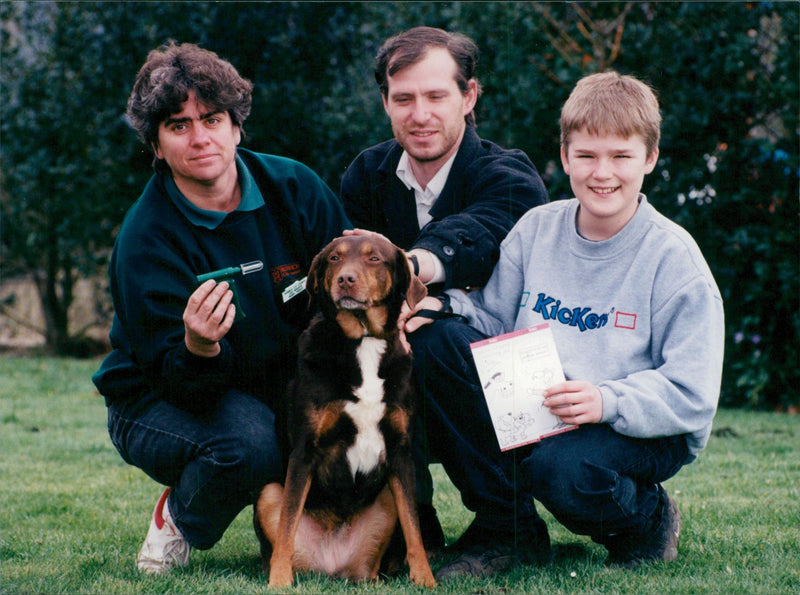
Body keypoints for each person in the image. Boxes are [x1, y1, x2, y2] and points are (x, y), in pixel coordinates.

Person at [402, 71, 724, 579]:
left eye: (621, 156)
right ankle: (508, 529)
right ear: (565, 156)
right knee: (436, 340)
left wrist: (606, 400)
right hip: (541, 409)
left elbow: (692, 394)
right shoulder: (538, 228)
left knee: (563, 469)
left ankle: (648, 519)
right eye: (587, 155)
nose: (603, 173)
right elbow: (492, 317)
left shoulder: (674, 260)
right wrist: (444, 308)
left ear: (650, 158)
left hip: (636, 425)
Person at [92, 41, 351, 574]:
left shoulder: (295, 188)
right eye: (178, 125)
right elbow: (177, 382)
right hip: (156, 398)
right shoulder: (146, 240)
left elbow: (345, 289)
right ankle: (178, 520)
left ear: (236, 127)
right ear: (156, 144)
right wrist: (199, 345)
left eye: (211, 119)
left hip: (275, 386)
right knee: (250, 444)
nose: (200, 137)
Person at [340, 26, 550, 556]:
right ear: (385, 102)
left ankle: (510, 528)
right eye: (403, 99)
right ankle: (410, 521)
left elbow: (477, 235)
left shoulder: (509, 175)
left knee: (433, 335)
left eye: (436, 96)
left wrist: (406, 268)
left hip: (511, 385)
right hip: (403, 372)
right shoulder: (367, 175)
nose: (420, 114)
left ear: (469, 96)